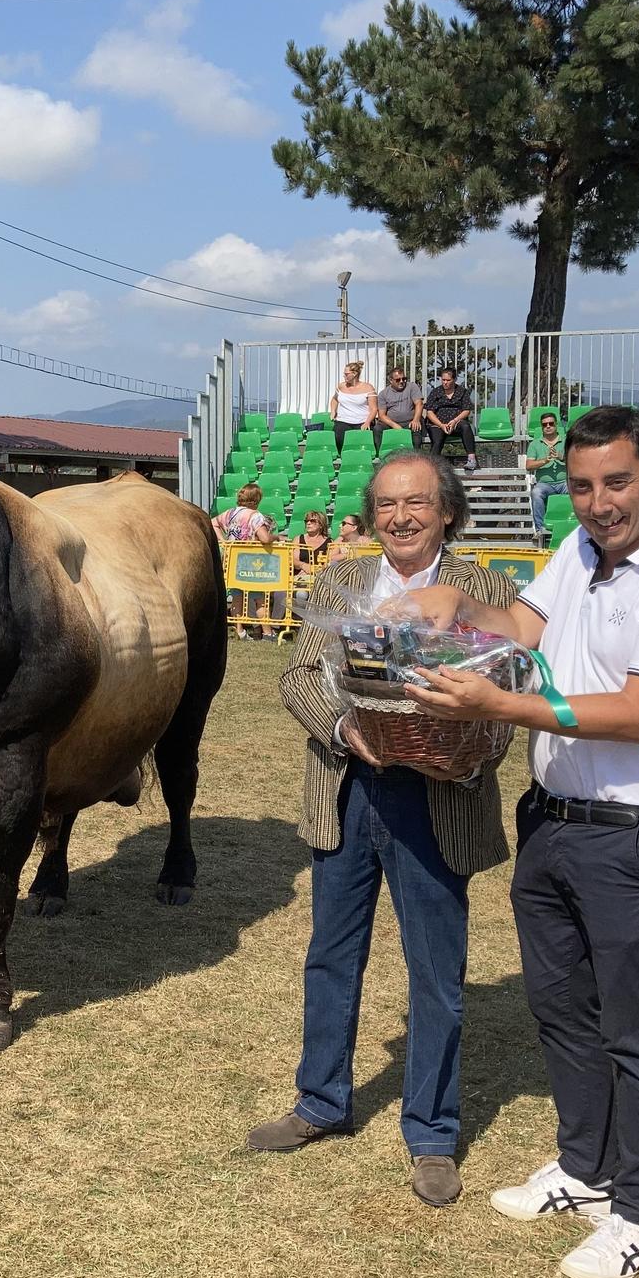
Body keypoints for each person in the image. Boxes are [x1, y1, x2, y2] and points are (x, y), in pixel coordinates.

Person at [401, 405, 639, 1278]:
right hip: (551, 820)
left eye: (616, 482)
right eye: (582, 486)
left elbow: (638, 713)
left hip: (633, 838)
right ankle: (587, 1171)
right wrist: (458, 603)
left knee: (637, 1032)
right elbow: (524, 629)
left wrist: (497, 707)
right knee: (564, 1015)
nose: (598, 503)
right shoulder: (579, 552)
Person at [249, 452, 518, 1209]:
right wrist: (342, 727)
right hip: (349, 786)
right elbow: (300, 675)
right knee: (331, 955)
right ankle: (320, 1103)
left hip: (437, 795)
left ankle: (432, 1133)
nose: (401, 517)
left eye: (418, 503)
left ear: (447, 512)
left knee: (435, 971)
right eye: (388, 505)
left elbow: (507, 693)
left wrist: (465, 753)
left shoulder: (489, 589)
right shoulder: (342, 581)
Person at [213, 482, 276, 640]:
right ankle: (268, 633)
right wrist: (276, 537)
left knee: (237, 597)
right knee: (259, 599)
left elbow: (213, 522)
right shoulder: (255, 516)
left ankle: (240, 630)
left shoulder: (231, 513)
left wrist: (224, 541)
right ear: (256, 500)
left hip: (232, 558)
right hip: (251, 560)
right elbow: (264, 538)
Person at [420, 369, 474, 468]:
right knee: (437, 440)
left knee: (465, 426)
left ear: (454, 379)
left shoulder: (462, 392)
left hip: (456, 422)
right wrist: (441, 425)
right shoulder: (436, 392)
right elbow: (429, 412)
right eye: (443, 380)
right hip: (437, 423)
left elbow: (466, 410)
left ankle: (471, 459)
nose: (445, 382)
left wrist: (454, 421)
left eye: (448, 380)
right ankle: (432, 466)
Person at [525, 411, 566, 538]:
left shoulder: (566, 441)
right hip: (545, 484)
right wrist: (545, 460)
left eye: (551, 423)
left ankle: (574, 525)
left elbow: (577, 461)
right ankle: (539, 529)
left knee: (577, 490)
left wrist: (561, 457)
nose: (548, 426)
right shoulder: (535, 444)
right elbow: (528, 466)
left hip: (565, 482)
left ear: (556, 425)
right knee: (536, 492)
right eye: (544, 424)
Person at [332, 362, 375, 454]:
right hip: (343, 421)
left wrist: (367, 422)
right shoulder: (341, 386)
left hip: (361, 421)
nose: (344, 376)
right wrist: (333, 411)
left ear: (354, 374)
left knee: (360, 446)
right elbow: (334, 399)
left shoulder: (368, 388)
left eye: (346, 374)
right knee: (338, 435)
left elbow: (374, 409)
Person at [373, 367, 421, 439]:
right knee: (377, 429)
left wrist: (416, 420)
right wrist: (394, 425)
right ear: (391, 380)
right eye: (398, 380)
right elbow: (381, 415)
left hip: (410, 422)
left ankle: (416, 450)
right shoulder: (383, 394)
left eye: (404, 379)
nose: (401, 381)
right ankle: (378, 450)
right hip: (390, 423)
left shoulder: (412, 387)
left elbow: (419, 404)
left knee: (416, 428)